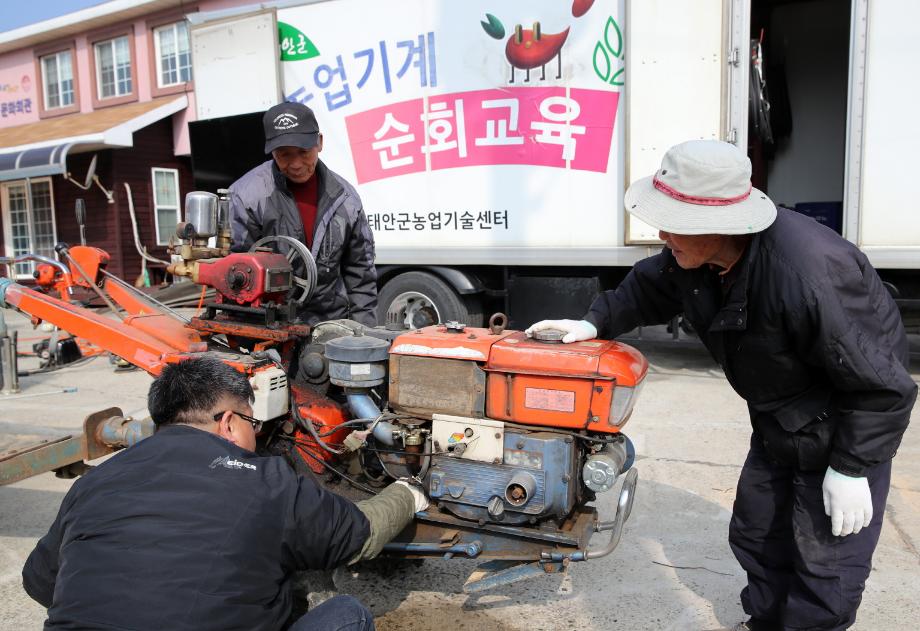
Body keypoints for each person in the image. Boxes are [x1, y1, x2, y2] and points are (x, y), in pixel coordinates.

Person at [527, 140, 916, 631]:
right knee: (758, 535)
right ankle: (765, 622)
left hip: (838, 432)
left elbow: (882, 383)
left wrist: (853, 466)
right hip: (778, 423)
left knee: (826, 572)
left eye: (674, 222)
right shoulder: (697, 257)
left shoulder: (812, 273)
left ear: (722, 223)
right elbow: (647, 287)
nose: (662, 233)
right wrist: (592, 322)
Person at [22, 356, 427, 630]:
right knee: (347, 614)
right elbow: (363, 535)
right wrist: (411, 492)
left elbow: (38, 582)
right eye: (254, 422)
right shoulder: (267, 482)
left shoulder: (93, 483)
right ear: (230, 422)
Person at [229, 101, 378, 327]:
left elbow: (361, 274)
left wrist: (364, 337)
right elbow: (236, 276)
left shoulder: (346, 199)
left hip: (331, 326)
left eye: (303, 152)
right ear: (272, 152)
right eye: (284, 155)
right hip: (269, 327)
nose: (296, 164)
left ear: (319, 142)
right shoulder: (246, 197)